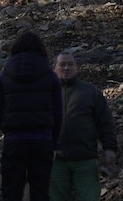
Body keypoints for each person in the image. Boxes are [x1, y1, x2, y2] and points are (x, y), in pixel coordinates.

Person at [0, 31, 63, 201]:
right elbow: (58, 113)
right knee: (41, 189)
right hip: (42, 139)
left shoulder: (4, 76)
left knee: (11, 190)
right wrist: (54, 143)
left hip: (14, 140)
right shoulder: (50, 76)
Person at [50, 52, 119, 201]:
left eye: (70, 64)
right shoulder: (46, 93)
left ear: (76, 68)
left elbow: (105, 121)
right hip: (55, 161)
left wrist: (110, 147)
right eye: (62, 64)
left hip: (85, 159)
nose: (66, 68)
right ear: (54, 68)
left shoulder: (90, 92)